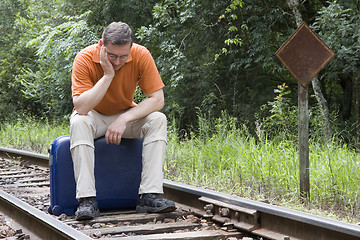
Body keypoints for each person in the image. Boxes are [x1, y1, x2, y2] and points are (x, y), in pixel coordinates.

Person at [70, 21, 175, 221]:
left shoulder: (141, 54)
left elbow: (157, 99)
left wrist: (125, 118)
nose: (117, 62)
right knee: (78, 122)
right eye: (112, 56)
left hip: (125, 116)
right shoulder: (84, 58)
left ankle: (149, 196)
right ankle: (87, 200)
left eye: (123, 56)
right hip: (94, 116)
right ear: (101, 45)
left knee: (158, 119)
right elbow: (82, 107)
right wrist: (108, 75)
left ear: (131, 48)